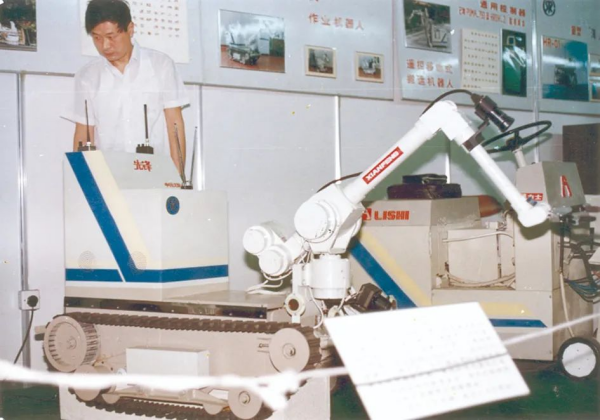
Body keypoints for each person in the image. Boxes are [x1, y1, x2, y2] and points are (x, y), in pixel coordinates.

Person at [70, 0, 188, 173]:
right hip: (108, 176)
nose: (105, 46)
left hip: (154, 174)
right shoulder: (87, 76)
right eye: (97, 38)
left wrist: (178, 178)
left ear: (130, 29)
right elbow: (83, 132)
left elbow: (174, 124)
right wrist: (82, 182)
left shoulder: (160, 65)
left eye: (111, 37)